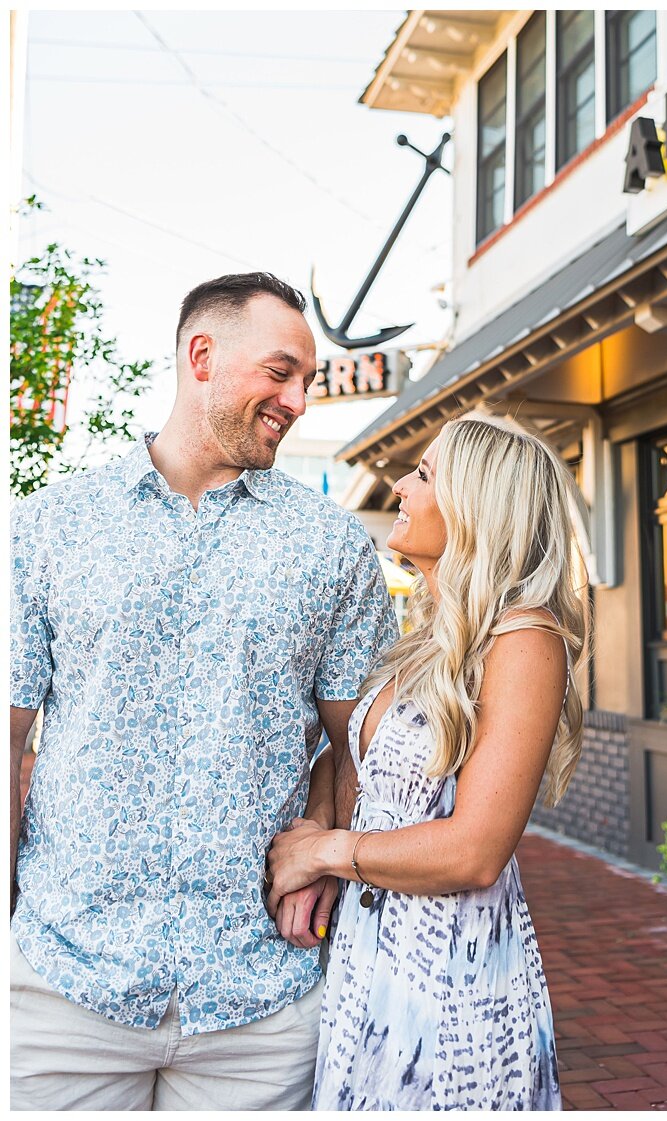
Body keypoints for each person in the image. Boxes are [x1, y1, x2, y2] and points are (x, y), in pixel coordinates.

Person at [9, 272, 398, 1109]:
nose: (298, 399)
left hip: (258, 999)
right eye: (281, 371)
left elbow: (365, 736)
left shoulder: (331, 546)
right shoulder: (51, 525)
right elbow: (8, 741)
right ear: (201, 355)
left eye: (307, 381)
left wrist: (324, 841)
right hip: (59, 985)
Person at [265, 412, 587, 1110]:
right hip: (370, 955)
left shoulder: (524, 638)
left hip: (452, 976)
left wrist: (325, 852)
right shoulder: (428, 633)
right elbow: (352, 755)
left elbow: (475, 850)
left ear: (477, 506)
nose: (401, 487)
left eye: (424, 474)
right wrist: (317, 833)